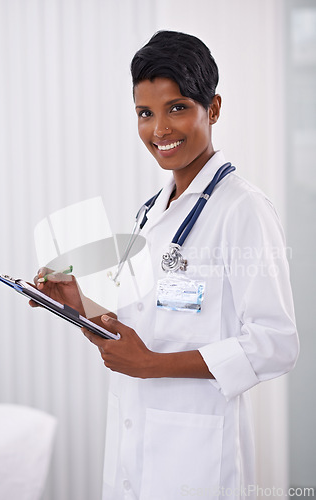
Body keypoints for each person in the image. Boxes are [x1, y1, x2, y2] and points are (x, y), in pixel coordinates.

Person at [32, 31, 299, 499]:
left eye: (176, 108)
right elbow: (142, 318)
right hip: (135, 441)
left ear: (212, 109)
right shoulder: (152, 210)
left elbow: (276, 343)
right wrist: (79, 306)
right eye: (145, 113)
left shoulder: (244, 209)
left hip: (197, 455)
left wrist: (153, 366)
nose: (159, 130)